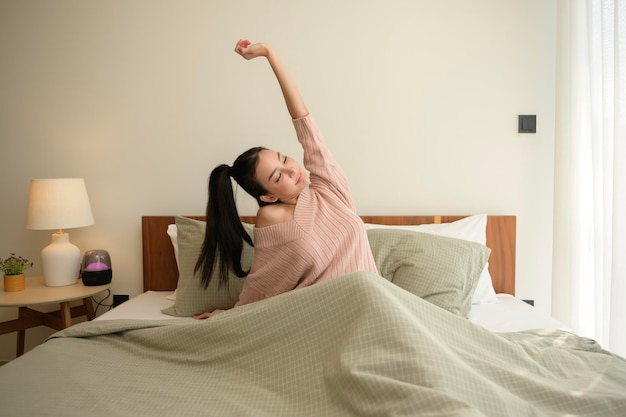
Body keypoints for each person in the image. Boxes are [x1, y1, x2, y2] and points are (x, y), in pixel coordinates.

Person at [193, 39, 377, 319]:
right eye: (278, 175)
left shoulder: (328, 187)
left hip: (373, 305)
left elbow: (304, 123)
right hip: (325, 319)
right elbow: (265, 283)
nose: (292, 169)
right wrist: (231, 315)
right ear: (267, 196)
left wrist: (270, 54)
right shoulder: (272, 217)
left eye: (283, 158)